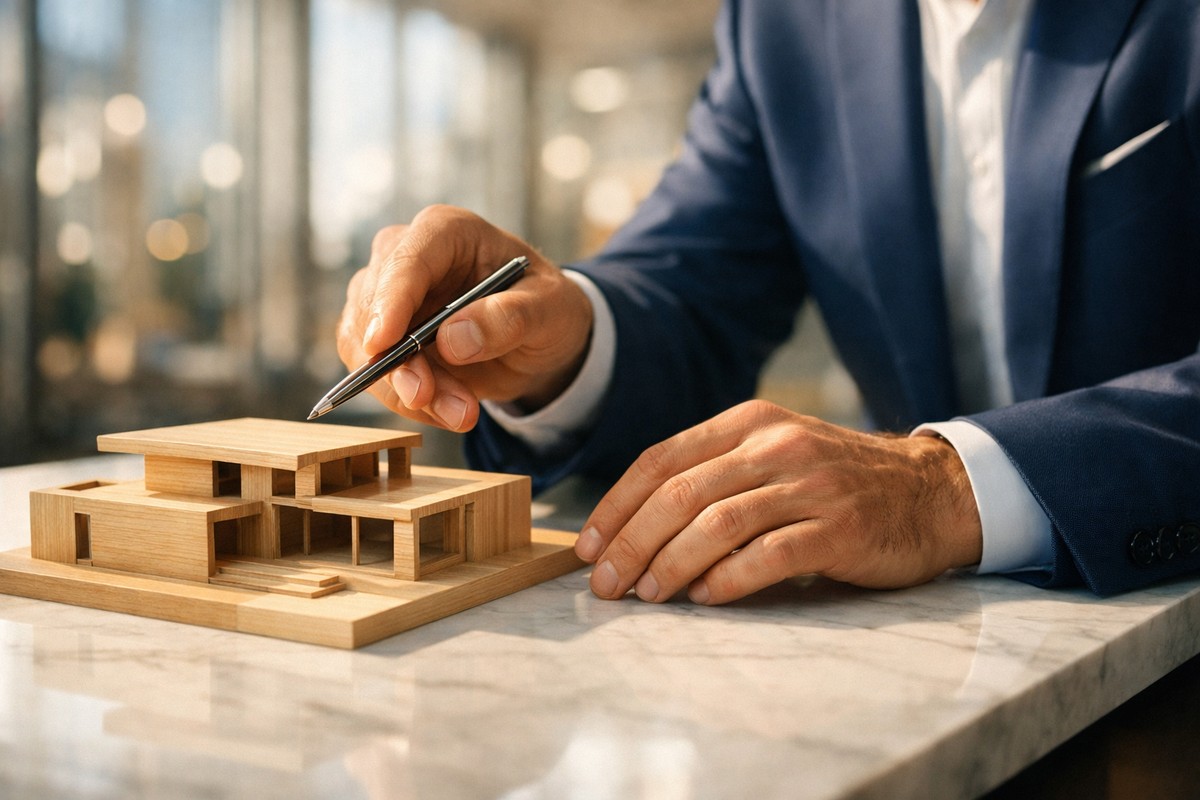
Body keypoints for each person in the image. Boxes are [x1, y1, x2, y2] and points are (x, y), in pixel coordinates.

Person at [336, 0, 1200, 605]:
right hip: (905, 654)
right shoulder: (785, 19)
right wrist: (555, 338)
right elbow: (697, 279)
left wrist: (943, 488)